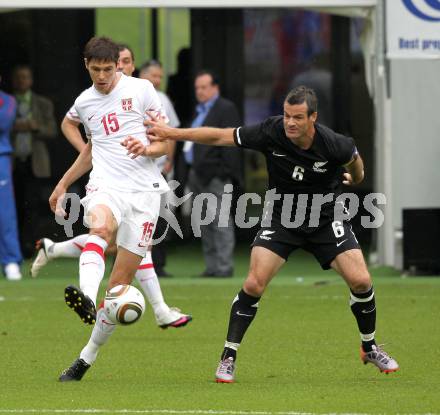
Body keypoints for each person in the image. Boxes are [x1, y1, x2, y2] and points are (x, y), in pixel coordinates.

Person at [145, 85, 399, 382]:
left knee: (361, 280)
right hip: (282, 218)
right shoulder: (271, 131)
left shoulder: (334, 143)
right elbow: (219, 136)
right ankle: (228, 356)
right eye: (287, 115)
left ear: (313, 118)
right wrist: (172, 133)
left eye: (298, 117)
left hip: (326, 217)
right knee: (254, 283)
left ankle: (369, 347)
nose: (290, 122)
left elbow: (355, 162)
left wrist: (356, 178)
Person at [48, 36, 184, 381]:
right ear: (86, 66)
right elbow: (93, 148)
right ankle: (86, 297)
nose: (103, 77)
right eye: (96, 70)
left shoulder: (141, 90)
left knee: (119, 289)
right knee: (100, 228)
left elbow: (166, 141)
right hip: (106, 185)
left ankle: (85, 358)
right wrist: (63, 184)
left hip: (144, 194)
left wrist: (147, 147)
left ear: (119, 66)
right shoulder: (84, 102)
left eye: (108, 69)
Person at [183, 70, 242, 277]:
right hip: (197, 173)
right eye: (197, 88)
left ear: (215, 87)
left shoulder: (225, 108)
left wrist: (225, 171)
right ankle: (212, 266)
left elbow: (231, 141)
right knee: (205, 221)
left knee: (220, 219)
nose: (199, 91)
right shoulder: (200, 110)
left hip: (216, 174)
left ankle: (224, 266)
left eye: (204, 87)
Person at [139, 59, 180, 277]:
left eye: (160, 77)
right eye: (154, 75)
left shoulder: (162, 98)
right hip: (136, 167)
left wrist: (168, 161)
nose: (157, 80)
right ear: (142, 75)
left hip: (159, 167)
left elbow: (171, 132)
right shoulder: (131, 95)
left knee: (161, 216)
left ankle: (159, 264)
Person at [11, 64, 57, 257]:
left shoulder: (42, 103)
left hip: (34, 162)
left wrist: (34, 126)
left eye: (26, 77)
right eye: (19, 77)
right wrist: (14, 126)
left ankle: (31, 247)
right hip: (11, 162)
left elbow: (53, 130)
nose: (22, 81)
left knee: (33, 206)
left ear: (31, 80)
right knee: (13, 206)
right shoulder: (7, 102)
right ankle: (13, 247)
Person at [0, 75, 23, 280]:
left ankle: (11, 261)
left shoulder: (8, 100)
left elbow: (3, 122)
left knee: (5, 212)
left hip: (1, 157)